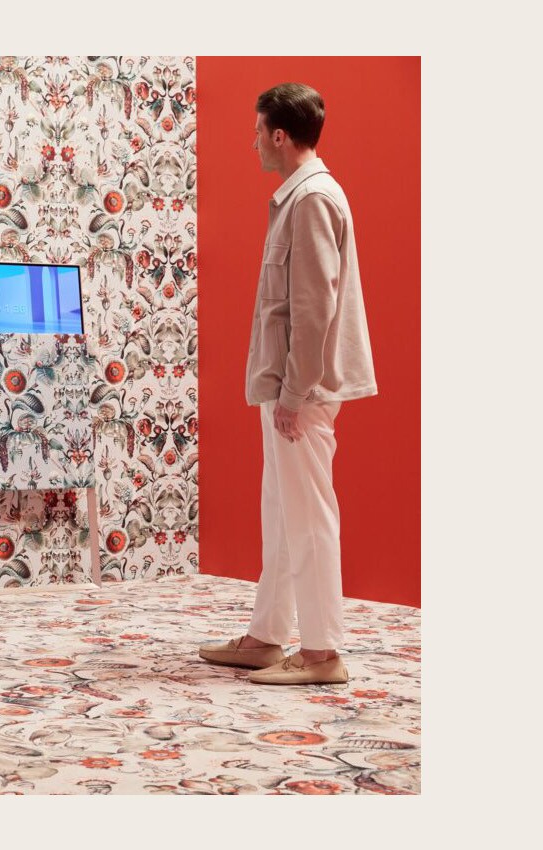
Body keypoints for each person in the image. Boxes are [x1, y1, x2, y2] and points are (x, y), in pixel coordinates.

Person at [198, 83, 377, 685]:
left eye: (257, 132)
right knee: (280, 513)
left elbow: (314, 307)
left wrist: (295, 394)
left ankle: (324, 653)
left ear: (279, 134)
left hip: (300, 392)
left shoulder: (312, 200)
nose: (251, 143)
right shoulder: (299, 198)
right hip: (284, 387)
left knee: (308, 517)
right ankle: (267, 636)